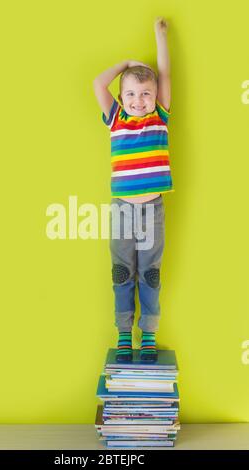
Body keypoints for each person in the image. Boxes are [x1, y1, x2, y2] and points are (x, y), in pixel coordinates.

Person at [93, 17, 174, 362]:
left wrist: (160, 38)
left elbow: (165, 74)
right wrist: (126, 64)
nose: (139, 100)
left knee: (150, 273)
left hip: (152, 207)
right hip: (123, 209)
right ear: (122, 97)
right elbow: (98, 83)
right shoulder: (116, 118)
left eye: (145, 93)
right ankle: (125, 331)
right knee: (122, 270)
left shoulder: (159, 115)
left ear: (155, 96)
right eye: (131, 94)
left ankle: (149, 332)